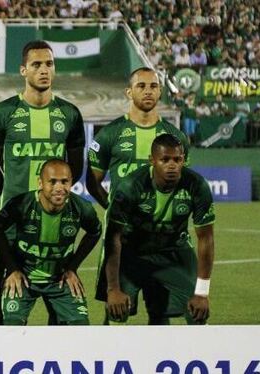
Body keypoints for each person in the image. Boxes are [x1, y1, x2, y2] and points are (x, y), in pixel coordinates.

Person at [0, 40, 85, 325]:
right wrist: (12, 196)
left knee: (59, 297)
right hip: (14, 223)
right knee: (0, 302)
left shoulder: (70, 114)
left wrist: (57, 197)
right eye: (36, 64)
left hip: (54, 219)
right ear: (23, 70)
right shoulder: (4, 111)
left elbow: (75, 165)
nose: (44, 70)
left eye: (49, 64)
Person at [87, 67, 190, 325]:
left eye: (153, 86)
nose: (148, 91)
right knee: (116, 313)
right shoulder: (111, 133)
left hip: (162, 242)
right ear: (129, 91)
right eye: (141, 86)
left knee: (161, 315)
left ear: (160, 91)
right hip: (124, 241)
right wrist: (112, 208)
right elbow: (93, 182)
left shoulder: (175, 137)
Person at [103, 134, 215, 325]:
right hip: (133, 253)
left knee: (197, 311)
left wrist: (202, 292)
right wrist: (113, 289)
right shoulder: (131, 186)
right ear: (152, 160)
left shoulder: (197, 185)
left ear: (184, 160)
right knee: (117, 311)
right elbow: (113, 237)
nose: (172, 165)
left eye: (177, 160)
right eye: (165, 160)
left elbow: (206, 238)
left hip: (174, 251)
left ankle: (195, 352)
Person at [0, 159, 101, 325]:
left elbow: (95, 232)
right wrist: (12, 269)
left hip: (60, 280)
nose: (59, 188)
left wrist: (72, 267)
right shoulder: (21, 204)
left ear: (71, 182)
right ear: (40, 183)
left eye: (64, 182)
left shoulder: (81, 208)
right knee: (12, 329)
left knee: (81, 329)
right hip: (24, 279)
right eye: (53, 182)